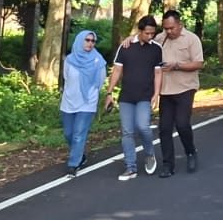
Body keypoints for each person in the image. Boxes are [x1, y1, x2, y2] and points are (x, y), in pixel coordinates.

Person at [105, 15, 163, 179]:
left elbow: (158, 73)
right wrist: (109, 93)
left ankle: (149, 154)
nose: (150, 36)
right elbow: (117, 71)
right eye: (147, 33)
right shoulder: (126, 46)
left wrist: (156, 94)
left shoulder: (156, 48)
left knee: (143, 126)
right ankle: (130, 167)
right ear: (140, 31)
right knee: (127, 132)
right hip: (126, 96)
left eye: (153, 33)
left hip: (145, 95)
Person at [157, 9, 204, 175]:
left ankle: (191, 151)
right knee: (164, 128)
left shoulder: (192, 39)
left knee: (182, 123)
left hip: (185, 88)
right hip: (165, 89)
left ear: (180, 25)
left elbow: (198, 63)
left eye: (171, 28)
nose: (169, 32)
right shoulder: (160, 39)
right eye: (166, 28)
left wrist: (176, 66)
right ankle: (168, 164)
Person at [60, 28, 105, 175]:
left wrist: (91, 95)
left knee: (79, 134)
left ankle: (73, 164)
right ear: (80, 41)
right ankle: (80, 155)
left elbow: (100, 82)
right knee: (68, 133)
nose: (90, 43)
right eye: (87, 40)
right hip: (69, 101)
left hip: (87, 102)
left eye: (93, 41)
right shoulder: (69, 60)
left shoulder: (98, 61)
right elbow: (66, 78)